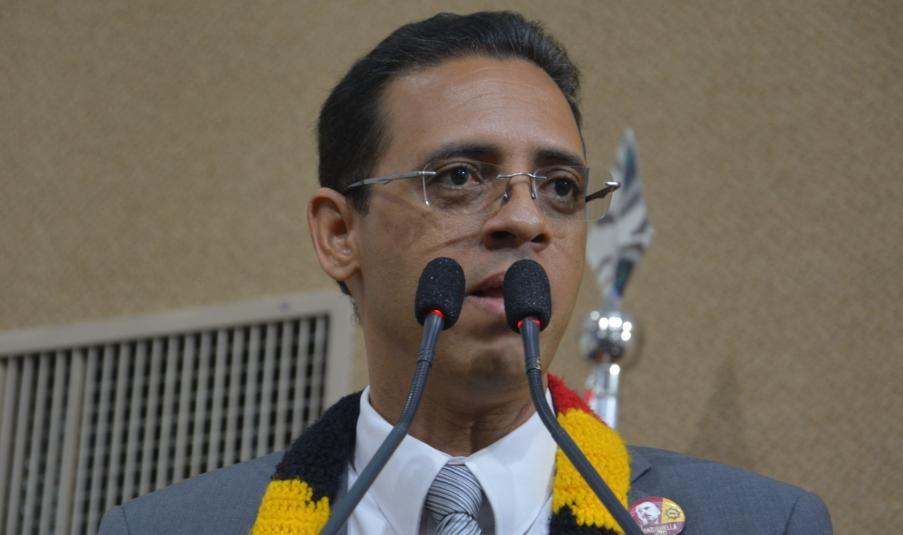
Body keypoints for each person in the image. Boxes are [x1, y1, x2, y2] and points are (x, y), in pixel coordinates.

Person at [99, 11, 832, 534]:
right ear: (339, 234)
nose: (525, 219)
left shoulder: (763, 524)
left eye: (560, 187)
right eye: (458, 177)